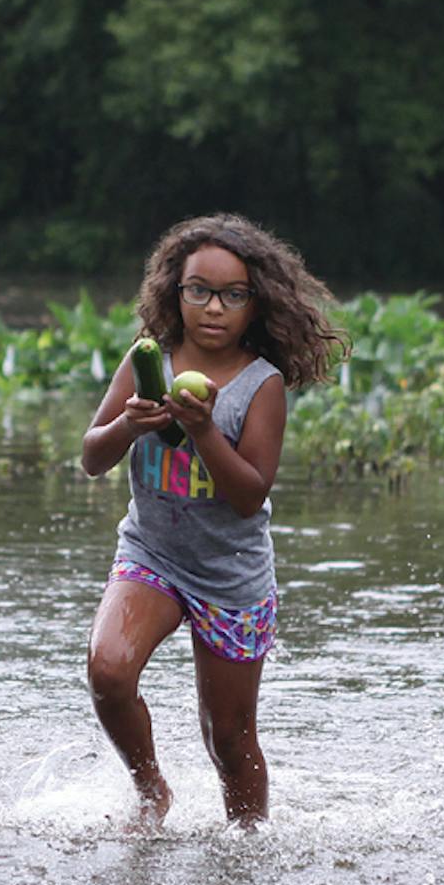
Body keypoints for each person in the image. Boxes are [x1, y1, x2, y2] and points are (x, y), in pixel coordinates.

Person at [81, 214, 345, 828]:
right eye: (198, 290)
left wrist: (201, 430)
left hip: (232, 578)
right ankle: (152, 792)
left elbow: (250, 494)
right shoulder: (149, 360)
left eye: (232, 295)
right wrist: (128, 423)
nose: (213, 308)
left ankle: (246, 848)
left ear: (257, 304)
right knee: (108, 670)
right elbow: (93, 456)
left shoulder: (263, 384)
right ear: (175, 292)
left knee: (227, 737)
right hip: (153, 555)